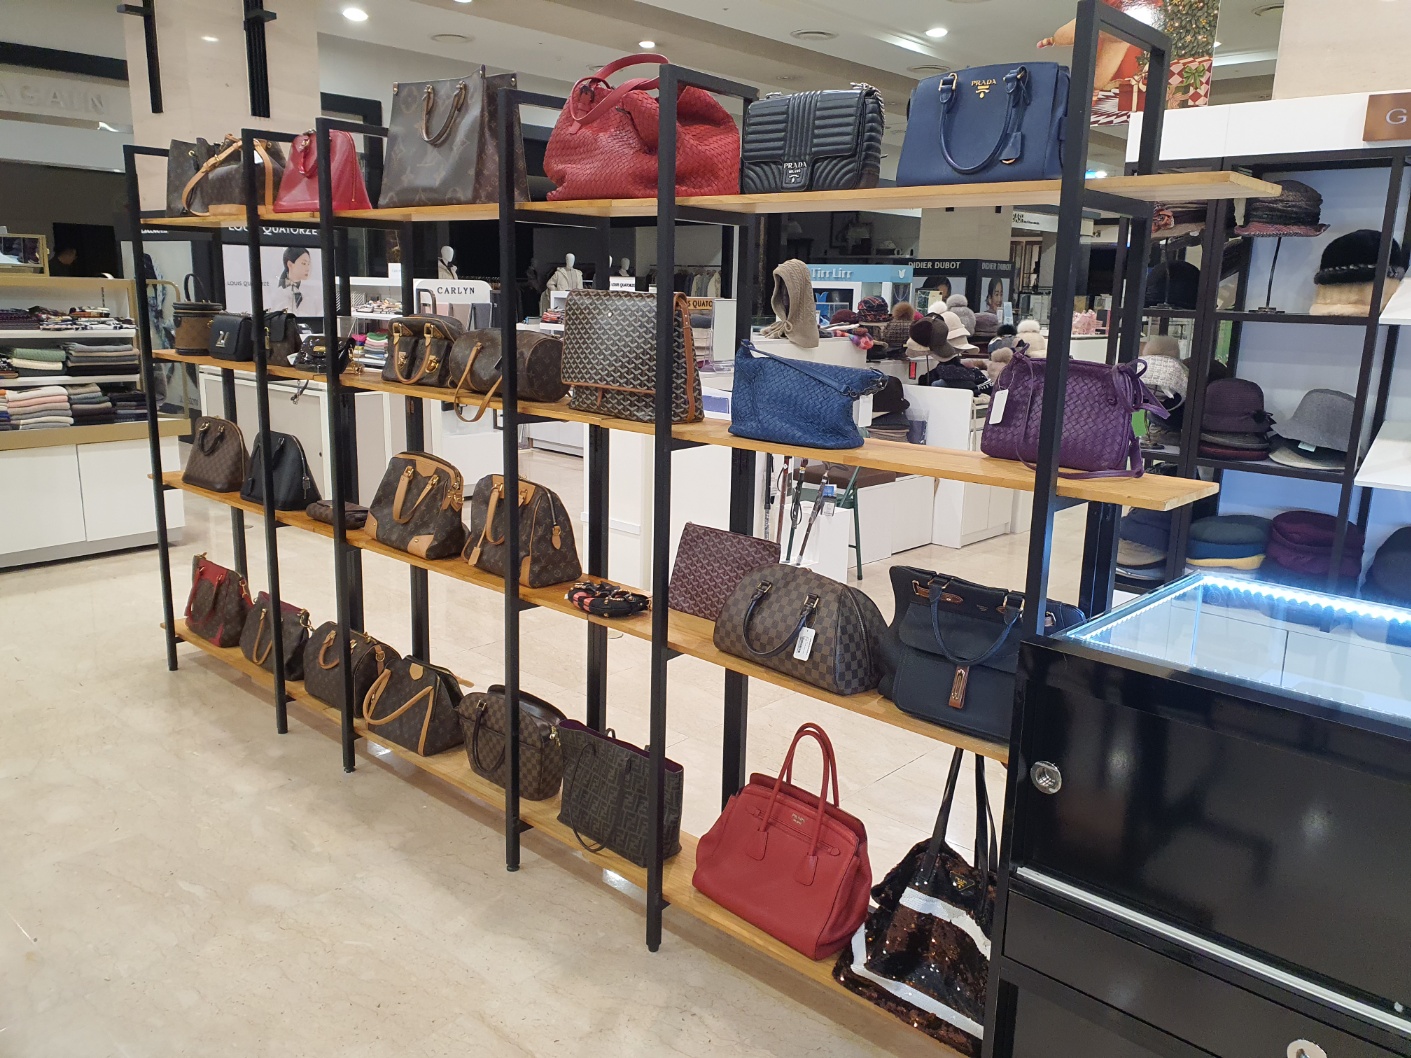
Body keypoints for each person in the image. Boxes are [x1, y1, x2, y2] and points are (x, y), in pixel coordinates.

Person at [267, 246, 311, 313]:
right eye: (304, 263)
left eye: (308, 264)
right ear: (290, 264)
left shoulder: (312, 293)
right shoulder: (276, 293)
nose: (307, 268)